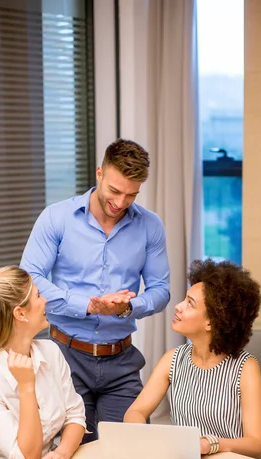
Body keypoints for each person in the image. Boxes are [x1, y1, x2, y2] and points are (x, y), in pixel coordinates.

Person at [21, 139, 170, 442]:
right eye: (115, 191)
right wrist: (87, 305)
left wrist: (128, 307)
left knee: (135, 450)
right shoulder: (57, 218)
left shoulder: (150, 226)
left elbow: (161, 289)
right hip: (66, 358)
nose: (120, 202)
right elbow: (29, 278)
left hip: (121, 360)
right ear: (99, 173)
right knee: (76, 456)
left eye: (131, 195)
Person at [124, 259, 261, 459]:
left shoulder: (245, 367)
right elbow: (135, 411)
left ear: (212, 321)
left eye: (190, 304)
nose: (178, 307)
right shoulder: (172, 359)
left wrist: (211, 444)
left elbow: (256, 444)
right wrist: (145, 436)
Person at [0, 265, 86, 459]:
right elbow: (29, 456)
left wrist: (63, 452)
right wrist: (26, 385)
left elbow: (75, 415)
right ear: (20, 313)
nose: (45, 301)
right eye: (38, 296)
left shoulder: (51, 352)